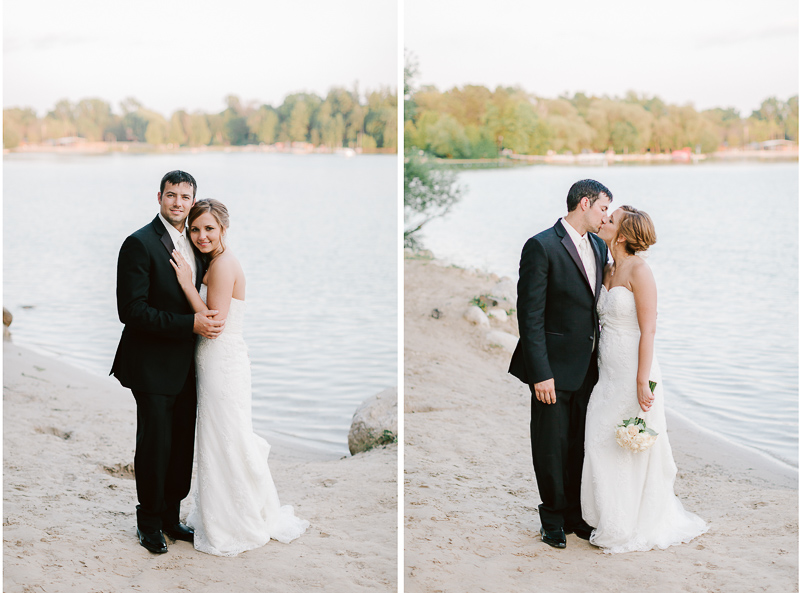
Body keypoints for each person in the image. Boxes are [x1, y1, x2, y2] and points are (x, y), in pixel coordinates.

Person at [170, 199, 309, 556]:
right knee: (221, 435)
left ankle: (236, 519)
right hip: (216, 362)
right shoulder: (215, 261)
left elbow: (214, 324)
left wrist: (186, 283)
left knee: (226, 436)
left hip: (221, 361)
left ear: (224, 230)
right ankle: (224, 511)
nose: (201, 236)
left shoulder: (223, 265)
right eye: (196, 229)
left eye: (209, 229)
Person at [111, 170, 225, 554]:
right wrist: (189, 323)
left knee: (180, 445)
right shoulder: (138, 243)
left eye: (185, 196)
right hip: (151, 364)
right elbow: (131, 311)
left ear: (194, 200)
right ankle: (148, 523)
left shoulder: (198, 241)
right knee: (154, 445)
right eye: (171, 195)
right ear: (159, 196)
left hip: (190, 365)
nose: (178, 203)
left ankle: (171, 518)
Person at [581, 206, 707, 553]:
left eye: (611, 218)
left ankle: (630, 524)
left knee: (630, 445)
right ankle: (609, 516)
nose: (603, 220)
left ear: (621, 234)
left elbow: (649, 329)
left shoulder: (640, 270)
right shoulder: (607, 267)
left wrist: (641, 379)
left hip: (635, 369)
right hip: (607, 371)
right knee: (599, 439)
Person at [508, 179, 612, 549]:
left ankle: (575, 515)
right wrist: (541, 373)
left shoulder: (600, 246)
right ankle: (552, 517)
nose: (606, 217)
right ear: (584, 204)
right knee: (550, 444)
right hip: (551, 369)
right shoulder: (541, 246)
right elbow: (530, 315)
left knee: (580, 443)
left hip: (589, 367)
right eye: (603, 209)